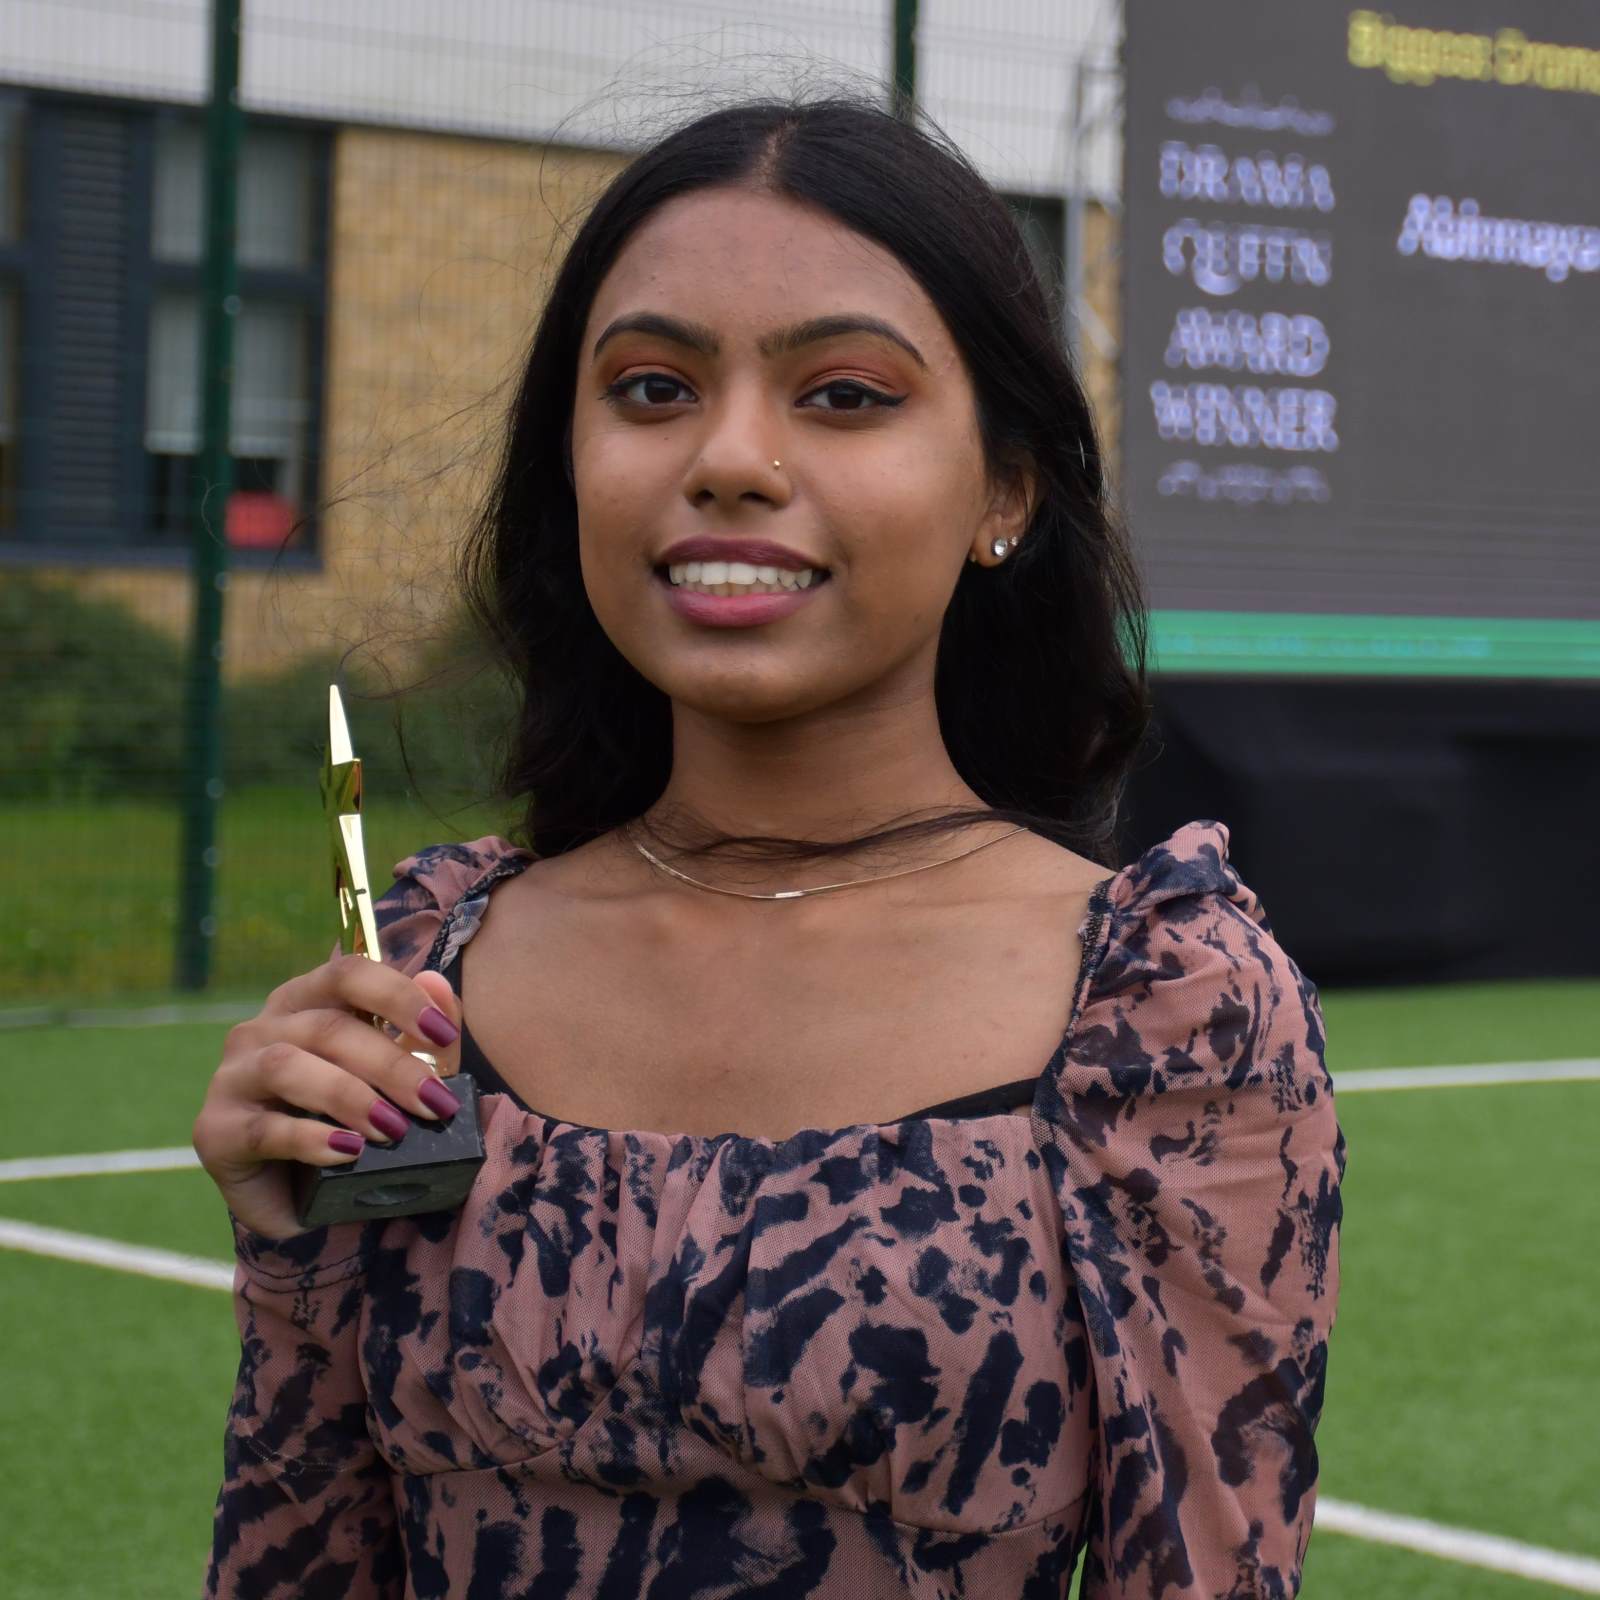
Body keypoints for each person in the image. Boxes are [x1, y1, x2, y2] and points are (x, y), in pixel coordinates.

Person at [195, 91, 1345, 1598]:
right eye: (652, 388)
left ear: (1004, 489)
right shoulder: (420, 972)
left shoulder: (1167, 1008)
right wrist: (288, 1245)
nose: (729, 456)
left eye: (846, 394)